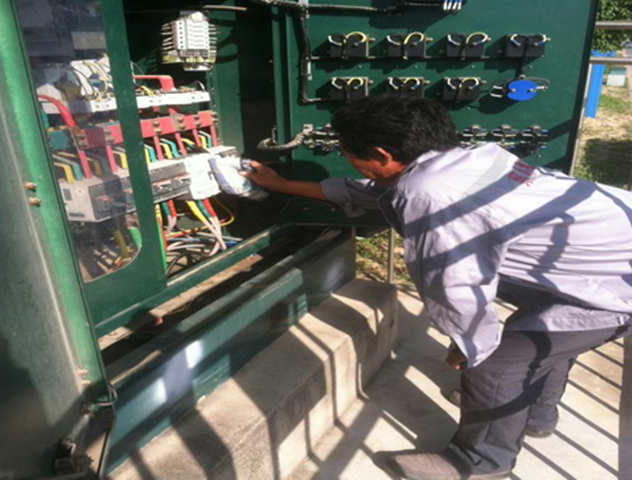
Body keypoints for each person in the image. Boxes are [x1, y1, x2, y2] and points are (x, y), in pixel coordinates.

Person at [240, 94, 632, 480]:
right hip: (594, 264)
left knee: (494, 366)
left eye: (346, 152)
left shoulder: (432, 193)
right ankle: (532, 416)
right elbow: (376, 192)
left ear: (381, 154)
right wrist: (281, 184)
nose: (346, 158)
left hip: (615, 285)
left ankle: (481, 462)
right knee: (534, 343)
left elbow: (454, 284)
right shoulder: (463, 161)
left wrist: (467, 342)